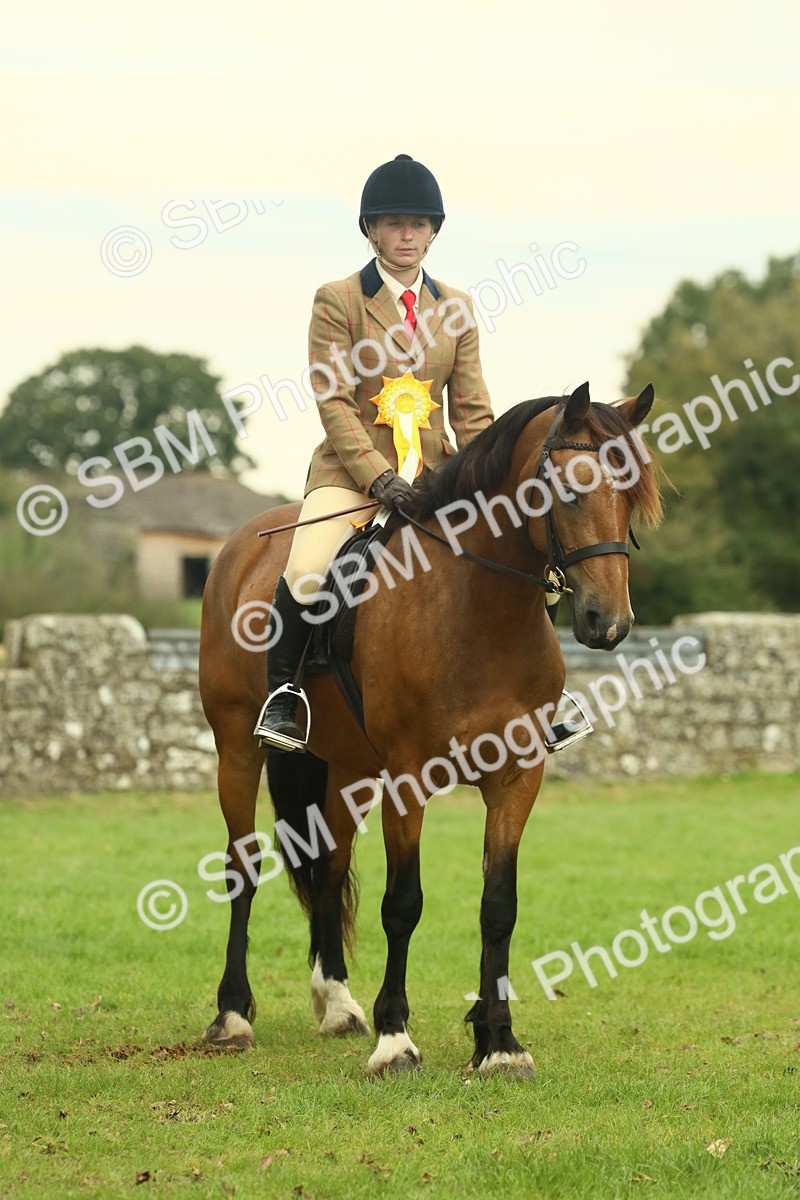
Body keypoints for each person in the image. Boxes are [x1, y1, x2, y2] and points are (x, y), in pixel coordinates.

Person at [254, 154, 589, 754]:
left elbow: (472, 411)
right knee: (307, 568)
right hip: (353, 476)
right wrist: (378, 478)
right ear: (371, 230)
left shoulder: (455, 309)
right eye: (392, 224)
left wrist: (494, 481)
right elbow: (333, 400)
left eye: (418, 224)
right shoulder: (338, 301)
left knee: (518, 549)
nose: (406, 236)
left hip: (439, 477)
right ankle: (285, 695)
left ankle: (544, 696)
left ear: (434, 231)